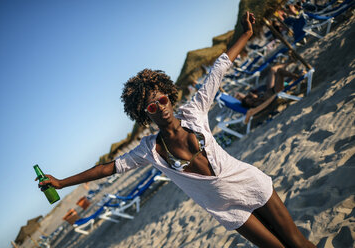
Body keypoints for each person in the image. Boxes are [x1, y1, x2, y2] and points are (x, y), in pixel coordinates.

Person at [38, 12, 316, 247]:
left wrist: (244, 34)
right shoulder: (150, 150)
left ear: (169, 95)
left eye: (162, 99)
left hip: (249, 183)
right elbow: (107, 168)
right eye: (151, 107)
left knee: (296, 242)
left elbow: (219, 69)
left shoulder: (194, 112)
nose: (160, 107)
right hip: (227, 210)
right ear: (143, 114)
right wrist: (61, 183)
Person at [235, 62, 302, 108]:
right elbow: (265, 103)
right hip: (276, 92)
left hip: (273, 89)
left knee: (277, 71)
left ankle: (295, 74)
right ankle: (297, 76)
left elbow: (251, 95)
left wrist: (245, 97)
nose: (252, 99)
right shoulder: (256, 104)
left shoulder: (255, 99)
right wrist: (253, 99)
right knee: (279, 71)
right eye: (251, 101)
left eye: (250, 98)